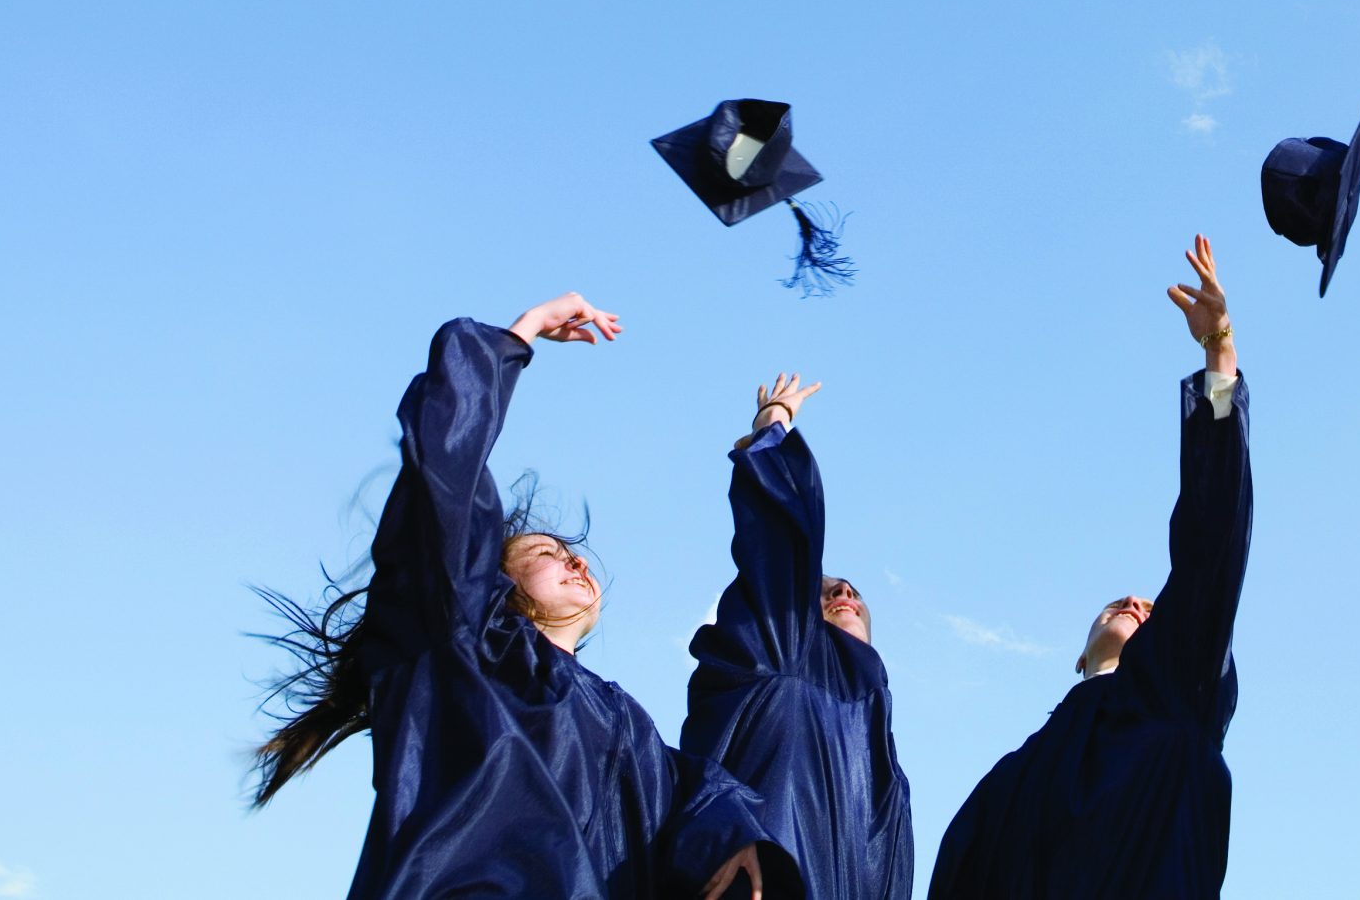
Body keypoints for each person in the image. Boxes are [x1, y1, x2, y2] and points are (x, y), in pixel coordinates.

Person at [250, 294, 793, 900]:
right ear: (494, 584)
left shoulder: (628, 728)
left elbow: (697, 791)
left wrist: (735, 835)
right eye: (548, 554)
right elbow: (445, 484)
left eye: (575, 555)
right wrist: (518, 336)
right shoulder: (466, 648)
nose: (577, 560)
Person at [927, 235, 1251, 900]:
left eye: (1155, 611)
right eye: (1118, 603)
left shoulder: (1171, 690)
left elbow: (1212, 532)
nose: (1135, 599)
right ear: (1078, 655)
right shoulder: (1012, 779)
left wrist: (1220, 358)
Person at [681, 372, 912, 900]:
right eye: (824, 590)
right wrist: (771, 427)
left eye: (852, 590)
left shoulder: (886, 767)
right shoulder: (781, 654)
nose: (844, 591)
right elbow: (778, 538)